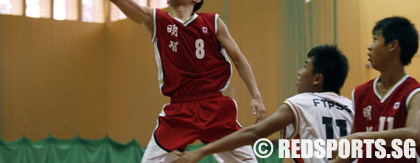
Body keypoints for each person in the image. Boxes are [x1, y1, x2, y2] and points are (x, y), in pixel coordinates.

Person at [66, 0, 266, 163]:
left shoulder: (213, 21)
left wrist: (256, 97)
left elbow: (239, 59)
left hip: (215, 106)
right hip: (179, 110)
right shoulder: (157, 21)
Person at [173, 44, 353, 163]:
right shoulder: (352, 107)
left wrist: (202, 151)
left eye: (305, 66)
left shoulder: (301, 103)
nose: (299, 72)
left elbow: (255, 133)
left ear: (317, 79)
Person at [334, 16, 420, 162]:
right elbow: (353, 148)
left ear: (392, 46)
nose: (369, 46)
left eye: (375, 39)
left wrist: (361, 137)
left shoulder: (414, 93)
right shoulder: (361, 92)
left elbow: (413, 134)